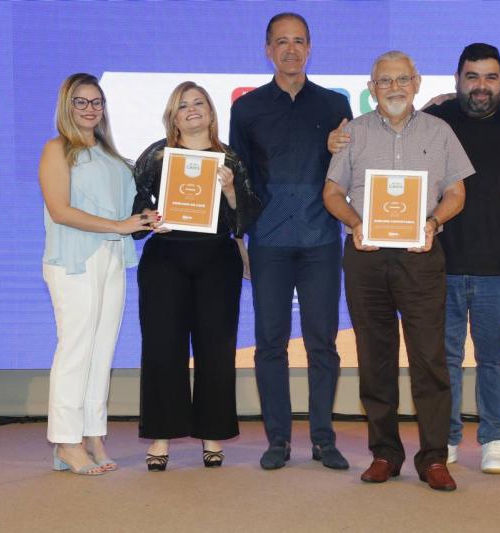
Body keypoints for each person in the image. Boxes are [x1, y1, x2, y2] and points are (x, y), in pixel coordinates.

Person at [323, 51, 473, 491]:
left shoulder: (440, 132)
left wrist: (434, 222)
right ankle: (385, 453)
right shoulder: (352, 133)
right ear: (372, 88)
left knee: (429, 358)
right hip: (366, 257)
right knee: (375, 358)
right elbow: (331, 192)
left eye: (402, 79)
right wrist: (355, 223)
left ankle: (434, 458)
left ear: (417, 83)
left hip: (420, 256)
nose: (394, 88)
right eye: (385, 81)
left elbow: (457, 193)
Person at [229, 12, 353, 470]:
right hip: (269, 241)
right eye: (281, 41)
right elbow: (239, 178)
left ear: (310, 47)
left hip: (321, 239)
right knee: (270, 344)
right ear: (268, 50)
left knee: (323, 343)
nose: (291, 49)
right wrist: (238, 237)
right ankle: (277, 440)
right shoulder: (247, 109)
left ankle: (323, 438)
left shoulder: (335, 104)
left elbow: (349, 172)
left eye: (299, 40)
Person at [426, 43, 500, 471]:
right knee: (444, 359)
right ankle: (446, 437)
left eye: (490, 77)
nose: (481, 86)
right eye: (472, 77)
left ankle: (495, 438)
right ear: (457, 79)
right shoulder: (435, 120)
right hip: (439, 263)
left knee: (496, 359)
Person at [133, 81, 261, 472]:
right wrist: (151, 219)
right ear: (173, 116)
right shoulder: (157, 156)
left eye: (199, 102)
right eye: (183, 105)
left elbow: (248, 216)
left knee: (216, 349)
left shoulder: (230, 158)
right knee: (162, 348)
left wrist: (231, 191)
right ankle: (161, 435)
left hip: (217, 260)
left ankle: (212, 432)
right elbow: (137, 208)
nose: (192, 109)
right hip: (165, 259)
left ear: (210, 111)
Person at [40, 73, 150, 475]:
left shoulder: (110, 155)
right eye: (81, 102)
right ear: (66, 106)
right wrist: (120, 225)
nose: (90, 109)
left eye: (97, 102)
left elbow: (131, 211)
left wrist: (149, 218)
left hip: (111, 257)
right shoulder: (57, 149)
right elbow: (60, 211)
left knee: (101, 350)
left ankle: (92, 436)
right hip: (74, 259)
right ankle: (66, 442)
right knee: (76, 349)